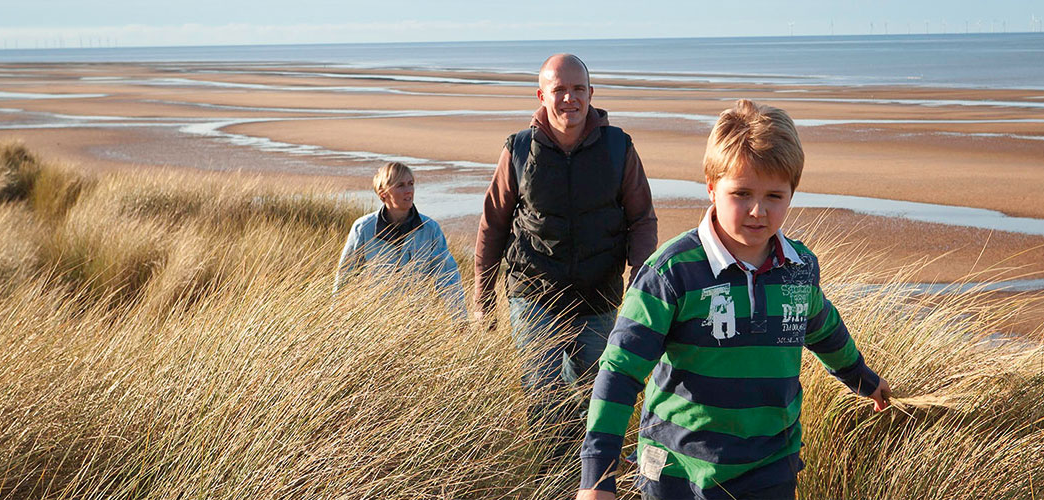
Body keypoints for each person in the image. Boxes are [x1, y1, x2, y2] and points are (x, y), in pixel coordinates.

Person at [576, 100, 891, 500]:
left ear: (792, 192)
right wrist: (597, 477)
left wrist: (863, 379)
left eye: (775, 196)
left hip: (771, 467)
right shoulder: (671, 272)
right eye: (741, 193)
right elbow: (620, 371)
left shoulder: (799, 267)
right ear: (711, 186)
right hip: (678, 472)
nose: (758, 211)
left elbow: (823, 328)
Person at [474, 54, 658, 426]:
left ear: (591, 93)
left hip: (599, 296)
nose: (569, 99)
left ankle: (590, 476)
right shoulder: (519, 149)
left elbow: (642, 219)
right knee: (543, 397)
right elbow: (493, 224)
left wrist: (640, 282)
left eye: (578, 89)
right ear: (541, 96)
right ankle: (548, 477)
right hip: (534, 295)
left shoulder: (618, 147)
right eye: (559, 90)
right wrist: (483, 296)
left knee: (598, 394)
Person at [335, 162, 464, 310]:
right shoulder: (363, 228)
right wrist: (336, 318)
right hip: (373, 318)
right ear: (383, 193)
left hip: (417, 319)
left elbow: (447, 277)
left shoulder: (430, 229)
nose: (409, 190)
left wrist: (459, 317)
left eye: (411, 184)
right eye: (401, 185)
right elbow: (345, 275)